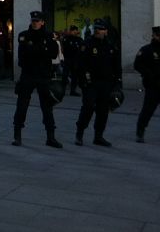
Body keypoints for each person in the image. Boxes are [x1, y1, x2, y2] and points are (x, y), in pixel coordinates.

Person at [12, 10, 63, 148]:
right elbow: (22, 58)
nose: (34, 23)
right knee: (22, 105)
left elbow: (53, 54)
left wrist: (34, 50)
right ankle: (17, 135)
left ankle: (50, 137)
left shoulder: (49, 36)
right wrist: (42, 51)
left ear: (42, 22)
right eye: (33, 21)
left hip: (43, 76)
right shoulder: (24, 35)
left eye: (37, 21)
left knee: (47, 107)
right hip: (28, 75)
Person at [74, 19, 120, 147]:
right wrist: (83, 82)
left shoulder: (111, 45)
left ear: (106, 31)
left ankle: (98, 136)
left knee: (103, 111)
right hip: (91, 83)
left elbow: (116, 66)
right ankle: (80, 133)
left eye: (100, 29)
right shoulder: (87, 44)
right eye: (96, 29)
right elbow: (79, 65)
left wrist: (117, 83)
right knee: (88, 108)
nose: (97, 31)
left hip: (106, 83)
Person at [134, 26, 160, 143]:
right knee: (148, 109)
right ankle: (140, 130)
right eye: (157, 35)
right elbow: (137, 65)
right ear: (153, 36)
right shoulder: (146, 50)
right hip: (153, 86)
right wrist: (148, 74)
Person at [62, 25, 83, 96]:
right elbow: (66, 49)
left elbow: (81, 50)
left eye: (74, 30)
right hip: (68, 59)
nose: (73, 32)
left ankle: (73, 91)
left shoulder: (79, 40)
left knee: (75, 76)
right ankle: (62, 90)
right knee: (65, 75)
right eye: (72, 30)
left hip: (75, 60)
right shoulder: (66, 38)